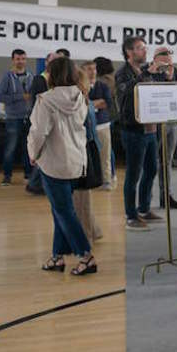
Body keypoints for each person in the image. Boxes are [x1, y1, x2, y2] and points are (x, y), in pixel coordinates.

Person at [28, 57, 97, 276]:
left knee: (64, 211)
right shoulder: (81, 97)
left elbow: (39, 132)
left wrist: (33, 154)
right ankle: (57, 257)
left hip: (54, 163)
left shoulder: (45, 100)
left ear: (51, 75)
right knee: (59, 209)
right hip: (76, 161)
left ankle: (86, 256)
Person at [115, 36, 164, 231]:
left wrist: (164, 76)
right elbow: (126, 93)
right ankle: (130, 215)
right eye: (139, 48)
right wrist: (145, 75)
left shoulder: (145, 71)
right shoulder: (122, 73)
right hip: (134, 130)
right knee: (133, 174)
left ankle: (144, 208)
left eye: (145, 48)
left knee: (151, 170)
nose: (144, 51)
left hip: (151, 129)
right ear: (129, 52)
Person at [148, 47, 177, 210]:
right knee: (150, 161)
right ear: (156, 58)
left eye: (170, 58)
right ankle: (146, 199)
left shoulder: (175, 72)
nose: (169, 60)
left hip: (171, 121)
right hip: (155, 121)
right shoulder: (149, 71)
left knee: (167, 160)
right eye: (165, 58)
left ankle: (166, 196)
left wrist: (171, 78)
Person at [0, 49, 33, 186]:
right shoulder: (7, 76)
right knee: (10, 148)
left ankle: (28, 175)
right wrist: (19, 97)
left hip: (28, 118)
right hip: (13, 118)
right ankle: (7, 176)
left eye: (23, 59)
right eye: (17, 59)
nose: (20, 61)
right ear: (13, 60)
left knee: (28, 148)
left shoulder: (31, 76)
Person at [25, 51, 61, 195]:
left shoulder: (57, 79)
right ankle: (34, 184)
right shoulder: (40, 79)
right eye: (52, 61)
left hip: (54, 121)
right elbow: (37, 102)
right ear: (46, 62)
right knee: (43, 153)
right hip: (43, 120)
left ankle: (36, 184)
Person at [74, 66, 102, 242]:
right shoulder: (86, 99)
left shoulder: (77, 101)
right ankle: (93, 229)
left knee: (80, 198)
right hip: (88, 148)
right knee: (83, 197)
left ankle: (85, 236)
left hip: (80, 150)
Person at [85, 60, 114, 191]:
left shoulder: (102, 86)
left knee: (105, 154)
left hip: (102, 125)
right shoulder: (80, 86)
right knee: (89, 155)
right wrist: (96, 103)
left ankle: (107, 180)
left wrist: (89, 104)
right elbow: (80, 104)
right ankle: (92, 180)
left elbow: (107, 103)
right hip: (86, 126)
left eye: (94, 69)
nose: (92, 72)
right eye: (89, 69)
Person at [95, 57, 118, 189]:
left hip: (108, 115)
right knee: (108, 148)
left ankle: (111, 173)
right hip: (111, 115)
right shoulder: (111, 78)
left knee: (107, 148)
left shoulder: (105, 81)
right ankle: (111, 174)